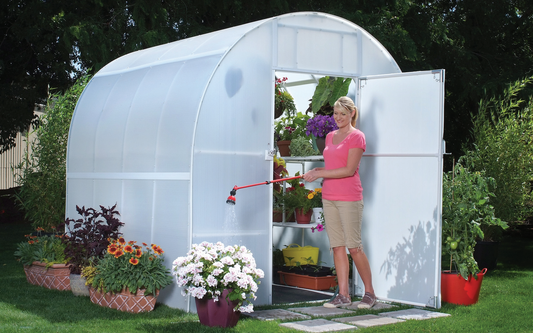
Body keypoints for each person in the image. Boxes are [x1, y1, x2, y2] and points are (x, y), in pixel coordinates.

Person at [303, 96, 376, 309]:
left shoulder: (357, 137)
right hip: (329, 197)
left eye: (343, 114)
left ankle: (370, 293)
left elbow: (348, 170)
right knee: (337, 247)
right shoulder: (329, 137)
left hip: (349, 198)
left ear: (352, 113)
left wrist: (319, 173)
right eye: (336, 114)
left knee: (354, 247)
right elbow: (332, 165)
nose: (338, 118)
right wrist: (318, 172)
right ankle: (343, 295)